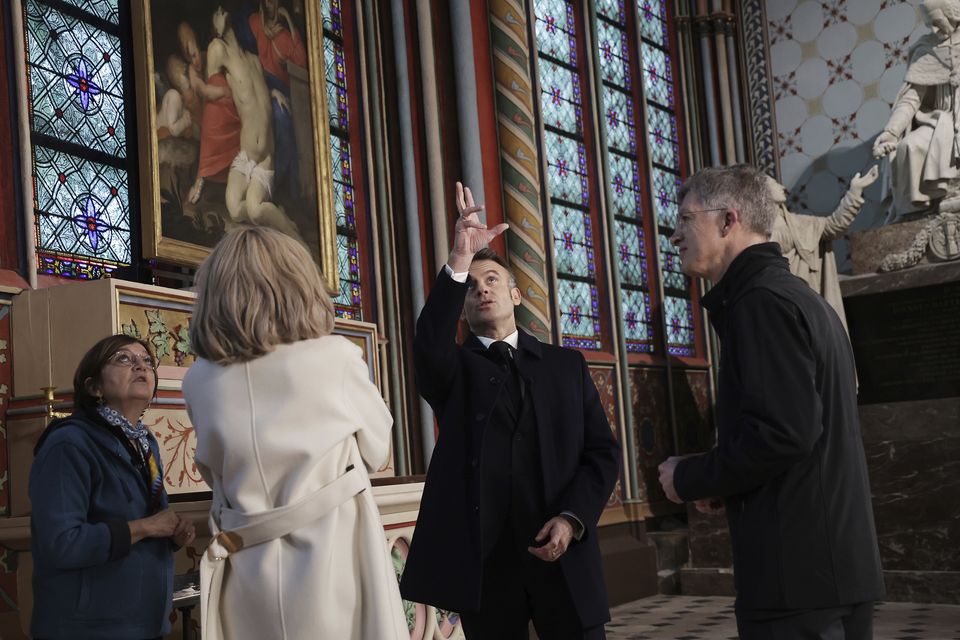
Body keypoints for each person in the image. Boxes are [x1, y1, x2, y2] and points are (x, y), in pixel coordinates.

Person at [657, 165, 885, 639]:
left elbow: (783, 434)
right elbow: (800, 431)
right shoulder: (799, 298)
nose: (675, 234)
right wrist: (725, 485)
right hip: (826, 569)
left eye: (685, 219)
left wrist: (691, 477)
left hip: (798, 580)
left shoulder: (761, 302)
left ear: (728, 220)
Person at [399, 182, 621, 639]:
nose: (482, 291)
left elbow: (601, 454)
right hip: (487, 566)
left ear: (517, 296)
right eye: (472, 287)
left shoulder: (565, 366)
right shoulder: (452, 370)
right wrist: (461, 257)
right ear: (461, 310)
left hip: (562, 551)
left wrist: (572, 518)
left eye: (493, 281)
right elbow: (427, 345)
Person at [182, 225, 407, 640]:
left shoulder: (197, 379)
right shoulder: (336, 358)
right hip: (333, 560)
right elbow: (377, 449)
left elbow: (213, 471)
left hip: (246, 570)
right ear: (297, 284)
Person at [30, 334, 195, 639]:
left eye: (147, 361)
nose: (140, 366)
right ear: (94, 387)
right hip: (89, 628)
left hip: (144, 623)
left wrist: (173, 532)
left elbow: (147, 519)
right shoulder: (69, 444)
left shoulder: (145, 443)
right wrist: (146, 527)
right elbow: (62, 544)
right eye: (124, 359)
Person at [204, 7, 302, 239]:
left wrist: (274, 93)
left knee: (256, 211)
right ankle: (278, 217)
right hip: (246, 155)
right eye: (216, 13)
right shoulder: (219, 51)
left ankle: (297, 241)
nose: (221, 12)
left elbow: (258, 93)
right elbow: (212, 91)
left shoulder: (254, 59)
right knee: (235, 209)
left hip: (265, 157)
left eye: (223, 10)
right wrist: (217, 34)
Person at [872, 0, 960, 220]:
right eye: (929, 24)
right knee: (908, 147)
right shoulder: (925, 49)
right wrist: (891, 132)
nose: (934, 29)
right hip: (943, 120)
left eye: (938, 21)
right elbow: (912, 97)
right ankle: (915, 217)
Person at [767, 165, 878, 333]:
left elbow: (835, 225)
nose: (783, 187)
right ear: (761, 192)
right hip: (777, 305)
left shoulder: (800, 224)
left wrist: (855, 191)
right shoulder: (754, 233)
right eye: (775, 183)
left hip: (808, 299)